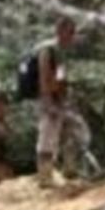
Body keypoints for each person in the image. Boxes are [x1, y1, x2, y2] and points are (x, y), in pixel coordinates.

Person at [36, 16, 92, 187]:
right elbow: (44, 79)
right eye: (70, 32)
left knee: (75, 131)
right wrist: (49, 103)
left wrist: (66, 100)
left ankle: (70, 169)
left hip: (60, 101)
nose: (72, 36)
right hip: (48, 101)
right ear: (60, 31)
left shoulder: (61, 52)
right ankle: (45, 177)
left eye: (73, 33)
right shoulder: (48, 50)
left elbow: (61, 78)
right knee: (48, 138)